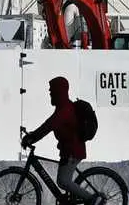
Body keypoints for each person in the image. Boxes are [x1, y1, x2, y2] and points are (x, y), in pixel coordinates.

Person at [21, 76, 104, 205]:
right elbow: (48, 123)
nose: (49, 93)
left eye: (51, 91)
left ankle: (94, 200)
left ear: (58, 92)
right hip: (68, 150)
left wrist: (32, 138)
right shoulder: (62, 107)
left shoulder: (65, 110)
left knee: (63, 181)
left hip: (73, 151)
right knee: (63, 181)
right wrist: (33, 135)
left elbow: (49, 126)